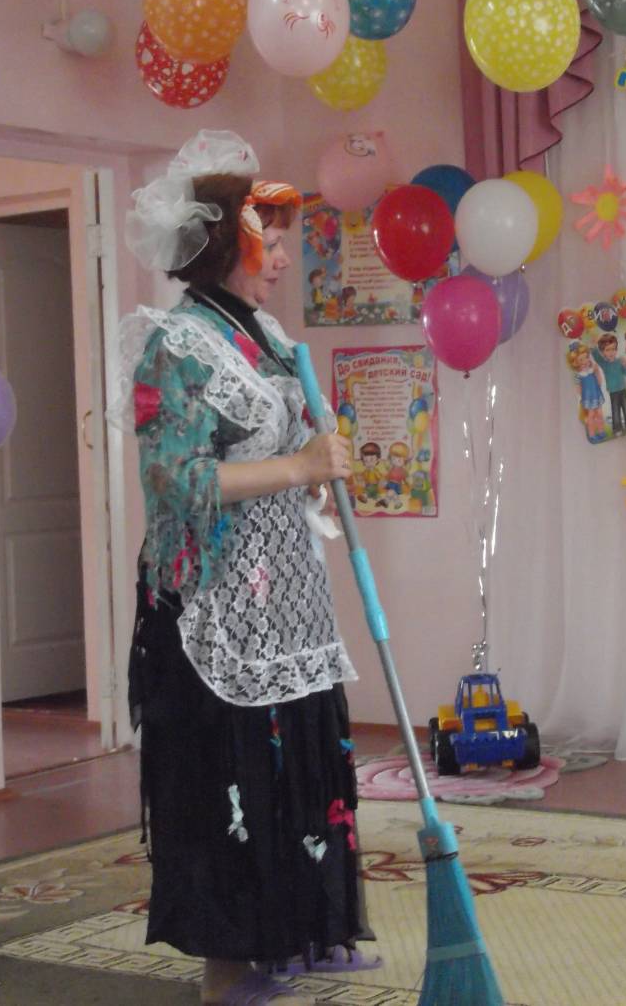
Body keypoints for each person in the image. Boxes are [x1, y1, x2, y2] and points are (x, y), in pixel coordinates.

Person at [119, 130, 372, 1005]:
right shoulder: (176, 344)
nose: (287, 257)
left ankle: (277, 953)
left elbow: (282, 456)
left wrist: (316, 471)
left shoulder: (264, 335)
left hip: (286, 601)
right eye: (274, 239)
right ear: (227, 243)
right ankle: (226, 977)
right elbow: (177, 480)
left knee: (292, 779)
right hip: (212, 611)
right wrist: (298, 466)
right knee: (230, 790)